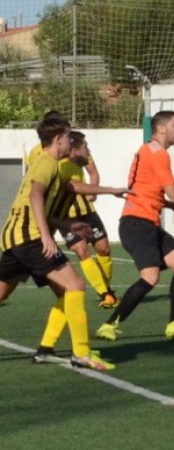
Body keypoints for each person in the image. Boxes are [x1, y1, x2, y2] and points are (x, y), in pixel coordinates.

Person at [0, 115, 126, 370]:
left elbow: (43, 202)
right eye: (69, 135)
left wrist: (67, 226)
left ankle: (46, 349)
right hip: (30, 237)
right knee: (74, 286)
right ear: (58, 139)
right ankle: (82, 353)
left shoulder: (51, 164)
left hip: (15, 237)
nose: (72, 139)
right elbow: (35, 194)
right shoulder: (47, 162)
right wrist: (46, 236)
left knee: (59, 293)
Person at [95, 110, 174, 342]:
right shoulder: (159, 154)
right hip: (138, 224)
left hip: (143, 223)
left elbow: (145, 191)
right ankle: (109, 325)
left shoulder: (147, 150)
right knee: (150, 276)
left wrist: (172, 207)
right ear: (162, 128)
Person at [56, 131, 119, 309]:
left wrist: (93, 189)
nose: (88, 149)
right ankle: (105, 293)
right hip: (66, 215)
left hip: (87, 211)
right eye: (86, 146)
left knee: (103, 249)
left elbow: (94, 173)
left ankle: (106, 289)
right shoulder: (56, 162)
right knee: (82, 250)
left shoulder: (83, 157)